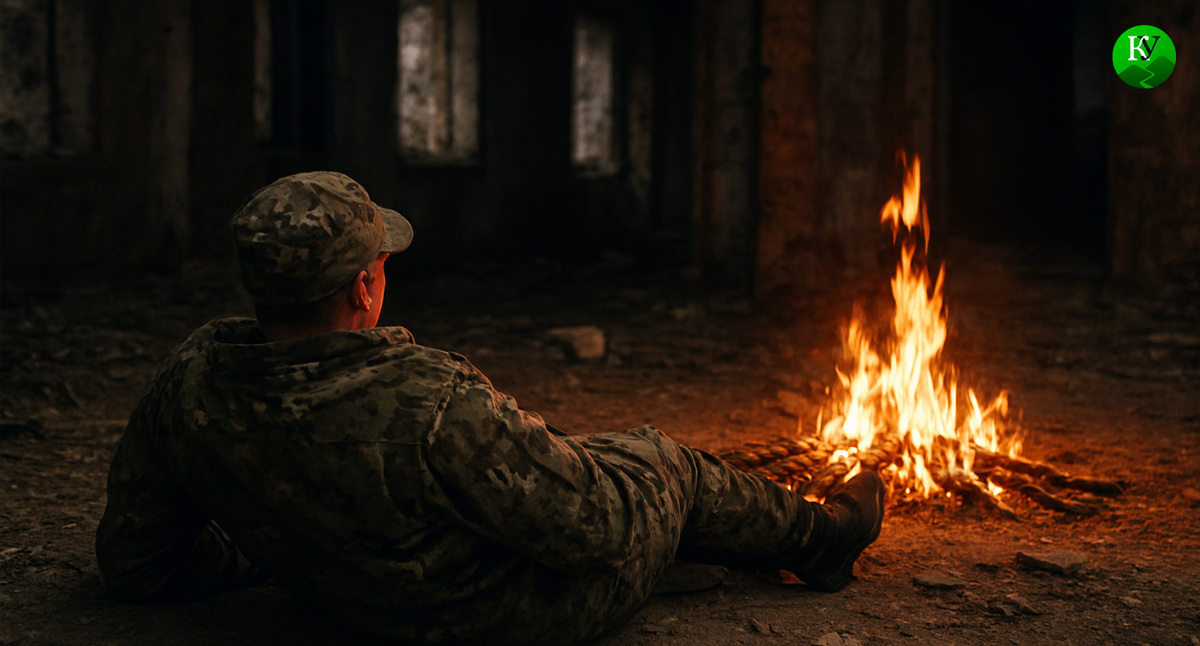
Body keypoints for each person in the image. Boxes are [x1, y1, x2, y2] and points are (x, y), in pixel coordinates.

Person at [96, 171, 885, 645]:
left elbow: (137, 564)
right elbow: (597, 534)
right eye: (381, 264)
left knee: (559, 461)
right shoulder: (427, 399)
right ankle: (823, 541)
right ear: (365, 287)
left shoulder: (191, 381)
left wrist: (287, 548)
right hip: (508, 619)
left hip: (343, 599)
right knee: (658, 460)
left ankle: (717, 536)